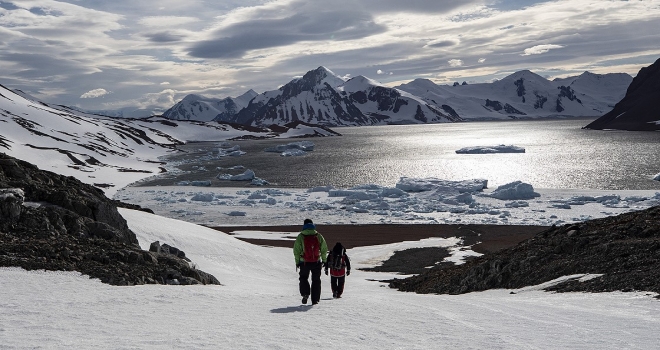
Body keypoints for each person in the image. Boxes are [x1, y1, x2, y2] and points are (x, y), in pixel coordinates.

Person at [293, 219, 328, 305]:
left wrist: (297, 262)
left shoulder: (301, 236)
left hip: (304, 262)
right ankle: (315, 300)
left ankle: (305, 294)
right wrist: (324, 260)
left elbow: (296, 251)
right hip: (316, 261)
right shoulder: (318, 235)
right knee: (316, 280)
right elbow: (324, 249)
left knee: (303, 278)